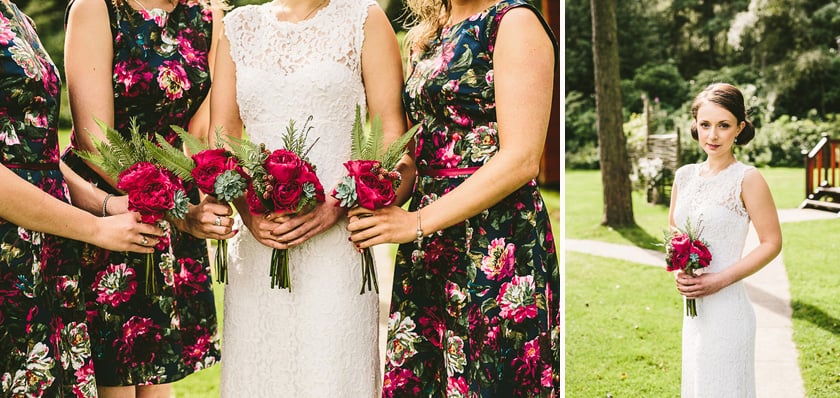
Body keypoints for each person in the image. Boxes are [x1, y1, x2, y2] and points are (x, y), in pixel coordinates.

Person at [346, 0, 560, 396]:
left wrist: (415, 222)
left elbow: (522, 158)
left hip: (495, 240)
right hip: (431, 245)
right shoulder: (429, 32)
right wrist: (377, 189)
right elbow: (420, 145)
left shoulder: (513, 22)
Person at [207, 0, 407, 395]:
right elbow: (222, 136)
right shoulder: (238, 27)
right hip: (259, 248)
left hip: (337, 246)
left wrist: (337, 206)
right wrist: (249, 211)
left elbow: (391, 139)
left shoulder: (364, 19)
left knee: (331, 376)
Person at [61, 0, 232, 395]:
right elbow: (97, 140)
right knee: (115, 382)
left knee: (158, 382)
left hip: (173, 217)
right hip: (106, 210)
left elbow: (203, 131)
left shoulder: (208, 14)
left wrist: (215, 197)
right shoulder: (96, 8)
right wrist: (177, 209)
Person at [0, 1, 164, 396]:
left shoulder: (12, 13)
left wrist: (106, 205)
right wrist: (95, 229)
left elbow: (35, 156)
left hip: (47, 252)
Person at [669, 83, 782, 397]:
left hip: (728, 311)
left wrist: (718, 280)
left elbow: (771, 242)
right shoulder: (684, 176)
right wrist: (681, 265)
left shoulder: (747, 179)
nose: (712, 136)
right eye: (705, 125)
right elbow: (675, 227)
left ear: (739, 128)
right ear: (696, 125)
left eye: (723, 125)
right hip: (694, 311)